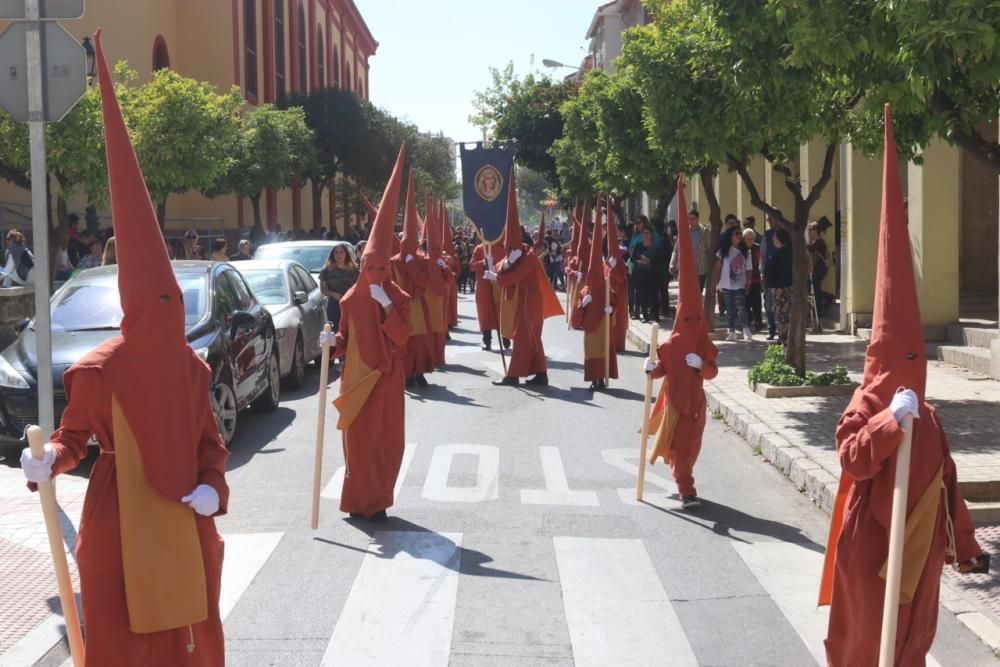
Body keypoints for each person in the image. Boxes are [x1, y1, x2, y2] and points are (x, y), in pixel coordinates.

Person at [19, 32, 230, 664]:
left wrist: (213, 488)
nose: (168, 311)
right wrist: (50, 458)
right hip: (119, 522)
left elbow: (210, 445)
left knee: (188, 636)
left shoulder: (193, 366)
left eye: (174, 301)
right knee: (121, 634)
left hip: (186, 522)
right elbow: (76, 436)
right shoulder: (100, 367)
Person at [821, 105, 987, 666]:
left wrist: (965, 546)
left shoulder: (933, 418)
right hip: (871, 557)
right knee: (870, 645)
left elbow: (946, 487)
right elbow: (853, 459)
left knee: (913, 645)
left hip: (920, 559)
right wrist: (890, 419)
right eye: (902, 357)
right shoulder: (865, 401)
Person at [329, 145, 411, 522]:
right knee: (357, 444)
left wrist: (389, 306)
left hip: (386, 379)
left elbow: (403, 336)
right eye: (370, 266)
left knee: (383, 444)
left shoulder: (397, 295)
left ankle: (377, 501)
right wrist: (331, 344)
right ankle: (357, 499)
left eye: (382, 266)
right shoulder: (350, 298)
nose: (376, 272)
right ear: (362, 266)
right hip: (356, 379)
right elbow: (345, 339)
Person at [645, 177, 719, 511]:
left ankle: (683, 478)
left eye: (696, 319)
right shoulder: (672, 344)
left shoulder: (702, 340)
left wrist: (701, 365)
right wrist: (650, 369)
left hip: (696, 409)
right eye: (685, 319)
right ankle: (686, 489)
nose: (691, 325)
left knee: (691, 447)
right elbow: (660, 370)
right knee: (678, 448)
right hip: (675, 405)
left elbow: (713, 371)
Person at [486, 169, 563, 386]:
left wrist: (498, 276)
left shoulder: (528, 256)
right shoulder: (515, 256)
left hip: (531, 299)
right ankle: (541, 373)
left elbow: (515, 277)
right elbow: (505, 267)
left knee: (523, 336)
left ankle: (513, 375)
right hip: (523, 300)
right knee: (531, 336)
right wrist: (505, 263)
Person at [390, 168, 436, 388]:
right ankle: (406, 373)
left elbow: (424, 283)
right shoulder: (393, 261)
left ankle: (419, 372)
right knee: (403, 342)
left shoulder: (421, 260)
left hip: (416, 304)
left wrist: (411, 268)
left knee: (419, 341)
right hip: (399, 308)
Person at [571, 202, 617, 390]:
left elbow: (616, 303)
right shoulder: (585, 292)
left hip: (603, 326)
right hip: (590, 327)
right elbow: (576, 319)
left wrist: (611, 309)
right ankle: (593, 379)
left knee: (603, 349)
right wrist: (582, 305)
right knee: (592, 351)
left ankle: (602, 378)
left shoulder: (607, 289)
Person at [713, 226, 753, 341]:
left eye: (740, 234)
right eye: (736, 234)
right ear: (730, 236)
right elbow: (717, 267)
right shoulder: (723, 250)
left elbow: (749, 268)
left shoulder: (745, 251)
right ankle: (731, 332)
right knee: (729, 309)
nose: (739, 236)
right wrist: (717, 282)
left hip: (740, 283)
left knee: (741, 307)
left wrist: (748, 282)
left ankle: (746, 330)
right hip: (726, 284)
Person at [470, 237, 506, 351]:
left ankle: (505, 336)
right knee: (485, 313)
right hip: (483, 286)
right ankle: (487, 340)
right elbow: (472, 265)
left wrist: (497, 266)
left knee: (501, 311)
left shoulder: (502, 248)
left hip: (498, 284)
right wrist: (483, 262)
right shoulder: (479, 249)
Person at [319, 244, 359, 334]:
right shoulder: (326, 270)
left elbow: (359, 287)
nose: (339, 255)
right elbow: (323, 290)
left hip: (351, 304)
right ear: (333, 255)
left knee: (350, 331)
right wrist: (333, 294)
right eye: (336, 252)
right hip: (334, 304)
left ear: (346, 254)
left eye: (341, 252)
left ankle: (349, 348)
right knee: (335, 332)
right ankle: (334, 348)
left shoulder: (354, 270)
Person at [670, 208, 711, 291]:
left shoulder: (705, 232)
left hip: (700, 269)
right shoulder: (684, 231)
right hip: (686, 268)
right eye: (688, 219)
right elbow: (676, 250)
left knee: (697, 293)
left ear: (697, 219)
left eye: (692, 219)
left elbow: (710, 250)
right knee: (687, 293)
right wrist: (672, 264)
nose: (690, 221)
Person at [766, 228, 793, 342]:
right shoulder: (781, 251)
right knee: (778, 313)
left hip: (782, 288)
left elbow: (784, 271)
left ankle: (784, 337)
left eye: (775, 237)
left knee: (782, 313)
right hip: (777, 287)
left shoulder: (785, 253)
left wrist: (780, 288)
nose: (773, 239)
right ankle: (782, 336)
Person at [632, 227, 664, 323]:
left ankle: (656, 316)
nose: (646, 235)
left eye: (648, 233)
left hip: (652, 274)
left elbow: (659, 260)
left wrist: (649, 261)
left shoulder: (656, 247)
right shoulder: (638, 245)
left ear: (651, 234)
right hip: (640, 274)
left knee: (653, 295)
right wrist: (639, 261)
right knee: (642, 295)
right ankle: (645, 316)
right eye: (644, 233)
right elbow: (633, 258)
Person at [760, 212, 780, 339]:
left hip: (783, 274)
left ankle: (783, 329)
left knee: (781, 304)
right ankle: (771, 329)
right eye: (768, 220)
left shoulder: (787, 234)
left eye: (771, 219)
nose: (769, 222)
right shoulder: (766, 236)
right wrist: (762, 272)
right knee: (768, 303)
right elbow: (763, 255)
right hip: (769, 274)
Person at [743, 228, 764, 332]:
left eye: (752, 239)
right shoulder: (741, 249)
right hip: (744, 281)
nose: (750, 241)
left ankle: (758, 323)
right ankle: (746, 323)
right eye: (748, 239)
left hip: (755, 280)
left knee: (757, 303)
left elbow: (761, 263)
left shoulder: (758, 248)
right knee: (745, 304)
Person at [807, 221, 829, 316]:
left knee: (815, 289)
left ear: (815, 230)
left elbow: (809, 248)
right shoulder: (816, 242)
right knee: (813, 288)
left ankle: (819, 309)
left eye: (810, 230)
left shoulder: (819, 242)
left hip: (820, 269)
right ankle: (827, 297)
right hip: (817, 269)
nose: (809, 232)